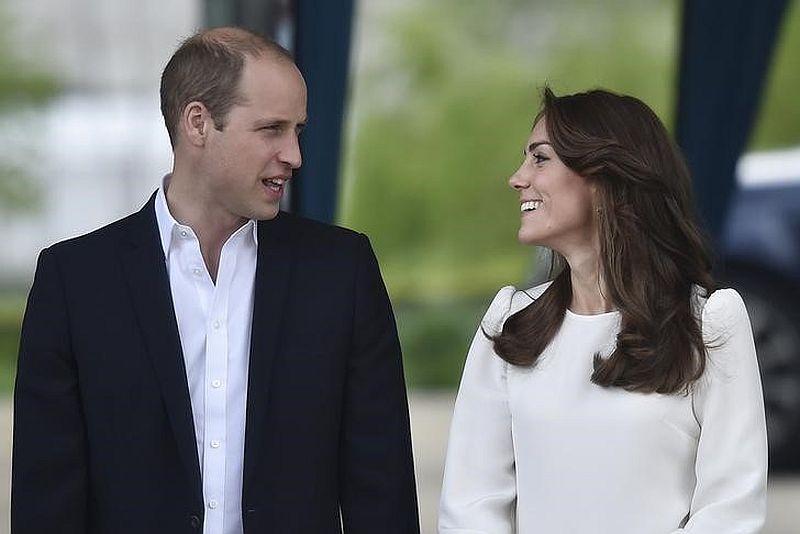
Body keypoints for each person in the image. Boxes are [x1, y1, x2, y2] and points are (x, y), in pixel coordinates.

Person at [12, 27, 419, 534]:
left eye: (298, 130)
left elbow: (381, 488)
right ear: (199, 123)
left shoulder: (342, 270)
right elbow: (45, 500)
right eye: (272, 129)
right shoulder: (74, 282)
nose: (294, 155)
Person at [439, 87, 767, 533]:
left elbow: (732, 510)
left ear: (605, 177)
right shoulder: (510, 324)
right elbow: (469, 506)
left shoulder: (710, 324)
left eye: (540, 158)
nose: (517, 178)